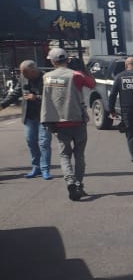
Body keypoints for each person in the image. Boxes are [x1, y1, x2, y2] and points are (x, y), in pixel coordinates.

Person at [40, 48, 95, 201]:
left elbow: (46, 100)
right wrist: (83, 69)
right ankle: (78, 183)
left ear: (52, 61)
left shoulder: (47, 77)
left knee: (64, 155)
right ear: (67, 59)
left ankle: (70, 182)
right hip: (77, 121)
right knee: (79, 155)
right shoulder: (76, 75)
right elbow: (92, 84)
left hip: (58, 122)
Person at [1, 60, 54, 179]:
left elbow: (52, 97)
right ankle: (36, 167)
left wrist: (36, 97)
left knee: (44, 143)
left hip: (43, 116)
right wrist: (3, 105)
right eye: (22, 73)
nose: (23, 75)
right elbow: (15, 93)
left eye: (25, 73)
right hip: (29, 116)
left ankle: (45, 169)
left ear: (33, 71)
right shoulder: (23, 77)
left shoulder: (46, 77)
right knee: (31, 142)